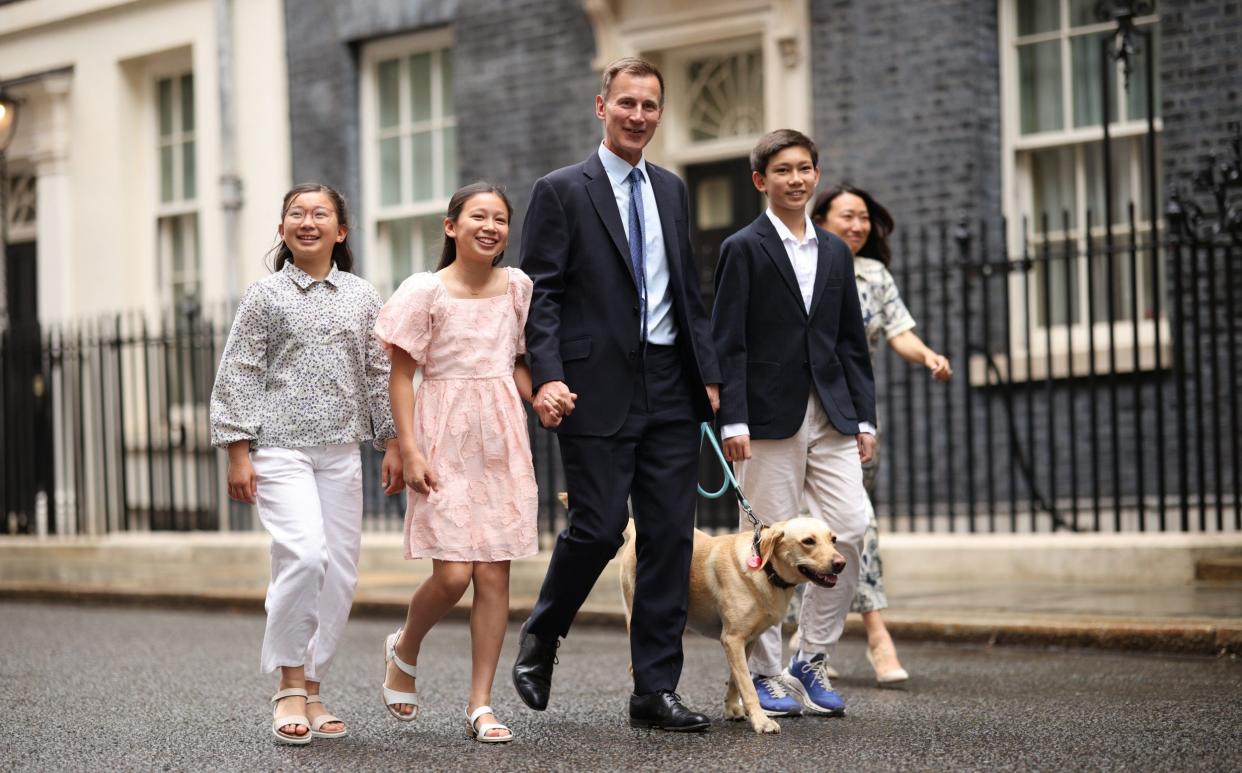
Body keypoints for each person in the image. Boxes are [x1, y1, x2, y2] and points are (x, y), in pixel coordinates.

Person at [511, 56, 721, 732]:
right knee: (599, 527)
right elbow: (543, 294)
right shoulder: (561, 189)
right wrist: (546, 374)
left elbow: (687, 291)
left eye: (650, 106)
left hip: (670, 385)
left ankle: (653, 691)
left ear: (660, 114)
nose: (638, 116)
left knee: (669, 538)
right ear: (601, 107)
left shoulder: (671, 189)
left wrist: (708, 374)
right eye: (626, 103)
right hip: (593, 385)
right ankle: (544, 633)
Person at [210, 183, 402, 745]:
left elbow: (375, 373)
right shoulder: (265, 296)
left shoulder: (363, 295)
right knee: (304, 555)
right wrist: (237, 453)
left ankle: (314, 688)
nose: (308, 222)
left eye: (321, 214)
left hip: (341, 452)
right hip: (279, 450)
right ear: (282, 229)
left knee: (339, 572)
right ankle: (289, 686)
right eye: (297, 214)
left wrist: (392, 440)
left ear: (341, 231)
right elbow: (239, 370)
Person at [712, 129, 876, 719]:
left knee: (851, 527)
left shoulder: (834, 250)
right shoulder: (743, 247)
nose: (797, 179)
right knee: (765, 546)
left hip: (830, 411)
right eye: (783, 170)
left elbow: (851, 343)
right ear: (762, 181)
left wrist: (864, 416)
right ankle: (767, 675)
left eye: (805, 169)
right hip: (764, 416)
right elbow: (725, 341)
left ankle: (813, 657)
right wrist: (732, 417)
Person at [374, 182, 539, 744]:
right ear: (452, 226)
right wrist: (410, 447)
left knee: (494, 574)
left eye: (499, 219)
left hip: (500, 438)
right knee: (452, 574)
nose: (490, 227)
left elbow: (516, 363)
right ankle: (406, 645)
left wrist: (539, 395)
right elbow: (400, 376)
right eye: (478, 216)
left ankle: (481, 704)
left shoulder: (517, 287)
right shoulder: (425, 291)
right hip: (442, 432)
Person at [810, 183, 951, 684]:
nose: (857, 225)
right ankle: (801, 643)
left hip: (854, 421)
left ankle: (875, 634)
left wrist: (928, 355)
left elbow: (898, 331)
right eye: (847, 216)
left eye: (864, 217)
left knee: (857, 527)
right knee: (797, 535)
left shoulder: (873, 275)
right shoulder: (805, 264)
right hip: (798, 417)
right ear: (822, 219)